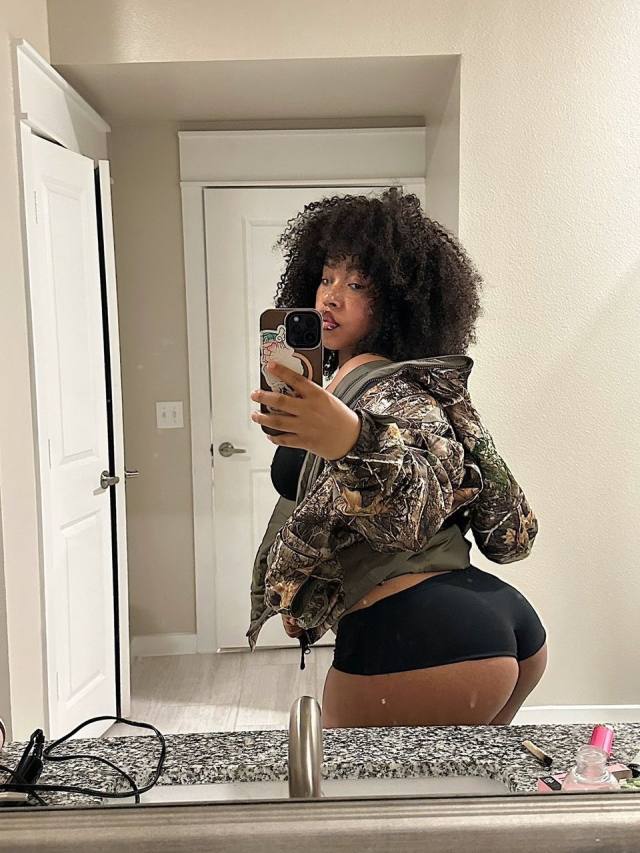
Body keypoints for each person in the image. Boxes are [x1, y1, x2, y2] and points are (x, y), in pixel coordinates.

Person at [248, 187, 547, 727]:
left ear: (400, 301)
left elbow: (413, 502)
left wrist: (353, 440)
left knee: (352, 786)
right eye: (327, 278)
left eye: (357, 284)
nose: (330, 298)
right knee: (460, 781)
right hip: (482, 616)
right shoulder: (355, 383)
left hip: (421, 633)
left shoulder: (392, 392)